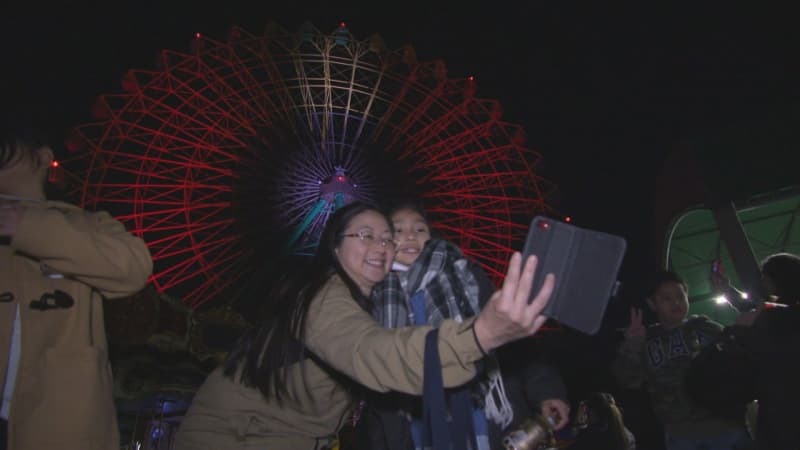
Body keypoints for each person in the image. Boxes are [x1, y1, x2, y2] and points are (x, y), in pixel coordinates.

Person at [173, 202, 556, 450]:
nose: (385, 245)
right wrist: (481, 334)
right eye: (366, 235)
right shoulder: (321, 294)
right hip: (235, 439)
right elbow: (371, 353)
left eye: (387, 239)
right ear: (335, 247)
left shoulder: (380, 304)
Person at [364, 200, 569, 450]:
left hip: (483, 416)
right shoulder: (373, 297)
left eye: (419, 229)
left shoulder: (466, 277)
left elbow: (516, 339)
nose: (410, 235)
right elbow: (372, 376)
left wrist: (546, 390)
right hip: (416, 424)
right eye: (398, 230)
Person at [0, 130, 153, 450]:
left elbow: (132, 268)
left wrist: (27, 227)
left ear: (42, 158)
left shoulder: (88, 225)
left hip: (58, 420)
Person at [612, 270, 750, 450]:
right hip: (681, 435)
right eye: (666, 298)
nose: (676, 302)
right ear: (652, 303)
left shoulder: (704, 327)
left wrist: (730, 295)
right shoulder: (648, 340)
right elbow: (629, 381)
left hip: (725, 427)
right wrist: (633, 345)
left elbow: (741, 350)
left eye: (680, 295)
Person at [569, 392, 635, 450]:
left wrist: (577, 425)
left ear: (593, 412)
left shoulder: (590, 437)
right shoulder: (627, 435)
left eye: (587, 411)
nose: (586, 414)